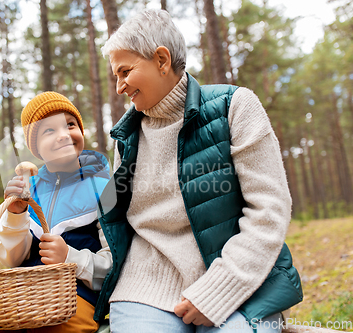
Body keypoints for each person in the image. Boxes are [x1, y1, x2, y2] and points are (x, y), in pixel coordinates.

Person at [93, 9, 302, 333]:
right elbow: (110, 216)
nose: (119, 87)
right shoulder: (127, 138)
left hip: (237, 281)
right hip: (143, 289)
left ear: (162, 60)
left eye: (125, 71)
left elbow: (269, 209)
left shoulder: (235, 107)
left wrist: (218, 290)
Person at [0, 91, 112, 333]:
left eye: (70, 124)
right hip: (20, 294)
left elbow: (114, 266)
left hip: (75, 299)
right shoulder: (29, 189)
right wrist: (15, 215)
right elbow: (10, 259)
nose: (64, 135)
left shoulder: (104, 189)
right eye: (49, 130)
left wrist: (70, 257)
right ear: (34, 147)